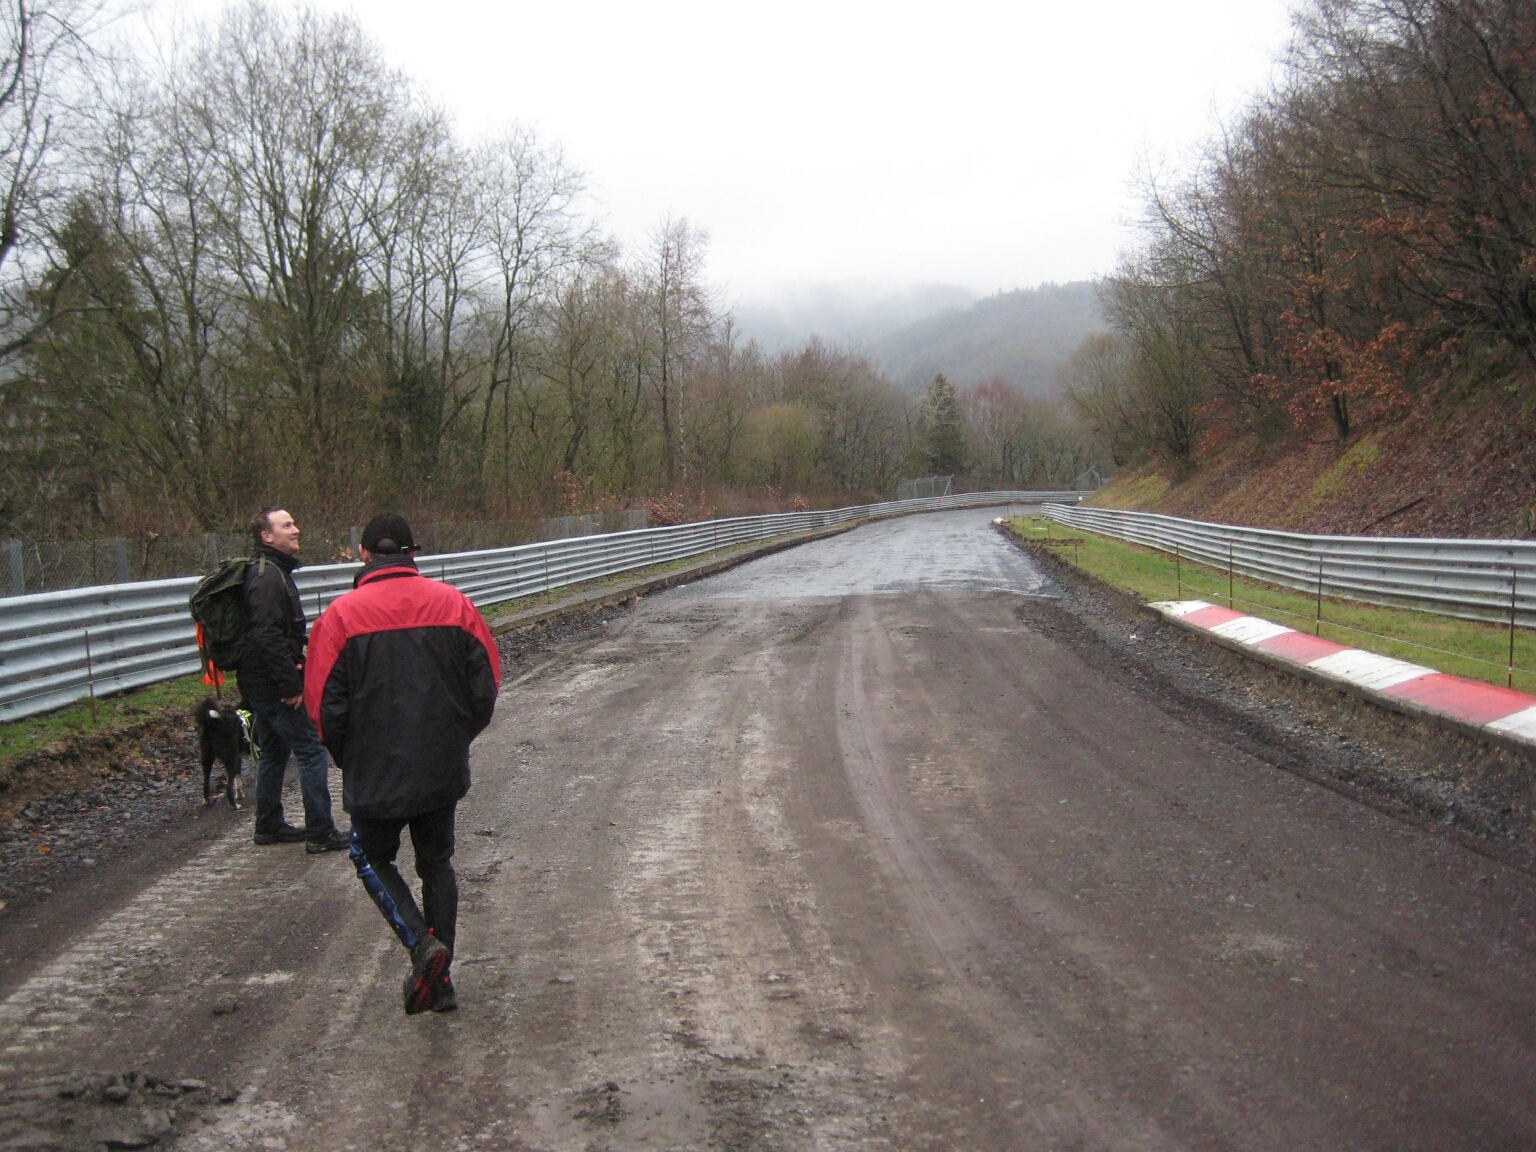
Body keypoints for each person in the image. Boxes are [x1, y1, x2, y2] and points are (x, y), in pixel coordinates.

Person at [304, 513, 500, 1015]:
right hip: (440, 764)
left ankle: (420, 945)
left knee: (370, 856)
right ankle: (441, 982)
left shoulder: (339, 618)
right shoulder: (454, 604)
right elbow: (486, 688)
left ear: (364, 554)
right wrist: (455, 740)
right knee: (436, 862)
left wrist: (349, 758)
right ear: (413, 554)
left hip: (374, 768)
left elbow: (322, 708)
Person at [241, 507, 349, 854]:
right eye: (286, 525)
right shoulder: (267, 578)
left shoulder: (270, 571)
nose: (296, 530)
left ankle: (268, 825)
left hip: (259, 682)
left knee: (274, 750)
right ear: (267, 536)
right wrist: (289, 685)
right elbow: (267, 635)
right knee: (311, 749)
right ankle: (320, 832)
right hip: (272, 684)